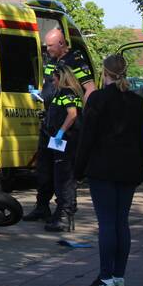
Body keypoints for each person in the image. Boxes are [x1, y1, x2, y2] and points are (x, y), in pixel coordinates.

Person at [73, 54, 143, 286]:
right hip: (129, 170)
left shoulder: (98, 99)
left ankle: (106, 277)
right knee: (121, 222)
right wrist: (140, 168)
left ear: (104, 73)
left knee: (107, 223)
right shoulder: (137, 102)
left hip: (102, 169)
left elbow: (87, 137)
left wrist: (78, 170)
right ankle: (118, 277)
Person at [24, 28, 95, 222]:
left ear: (62, 44)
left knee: (64, 170)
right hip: (50, 122)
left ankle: (65, 211)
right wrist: (39, 95)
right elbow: (49, 87)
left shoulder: (76, 61)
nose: (47, 49)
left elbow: (90, 89)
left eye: (50, 46)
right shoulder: (51, 60)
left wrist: (83, 115)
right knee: (44, 168)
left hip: (67, 126)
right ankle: (42, 206)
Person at [42, 66, 84, 232]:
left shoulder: (67, 92)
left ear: (61, 78)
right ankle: (62, 213)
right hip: (62, 141)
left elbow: (72, 114)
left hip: (66, 141)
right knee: (63, 177)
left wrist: (61, 131)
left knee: (64, 179)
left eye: (54, 79)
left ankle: (64, 216)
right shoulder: (66, 93)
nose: (53, 82)